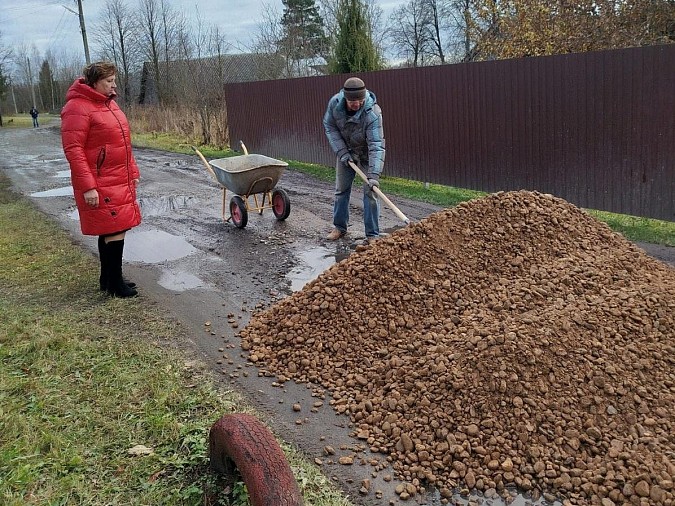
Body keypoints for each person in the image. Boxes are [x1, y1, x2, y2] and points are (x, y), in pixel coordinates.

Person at [61, 61, 142, 298]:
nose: (113, 85)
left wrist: (133, 172)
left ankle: (108, 279)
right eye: (108, 81)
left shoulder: (109, 105)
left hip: (117, 177)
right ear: (94, 82)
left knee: (111, 228)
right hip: (100, 181)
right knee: (116, 227)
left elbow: (124, 143)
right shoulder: (77, 107)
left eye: (114, 80)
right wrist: (88, 186)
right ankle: (115, 283)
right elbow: (74, 149)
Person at [323, 76, 385, 241]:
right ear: (345, 98)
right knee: (341, 191)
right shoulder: (335, 105)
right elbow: (329, 126)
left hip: (366, 155)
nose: (356, 104)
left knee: (370, 193)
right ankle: (339, 228)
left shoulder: (372, 114)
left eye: (360, 100)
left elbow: (376, 145)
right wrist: (342, 152)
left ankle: (372, 235)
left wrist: (373, 175)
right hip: (346, 153)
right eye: (352, 101)